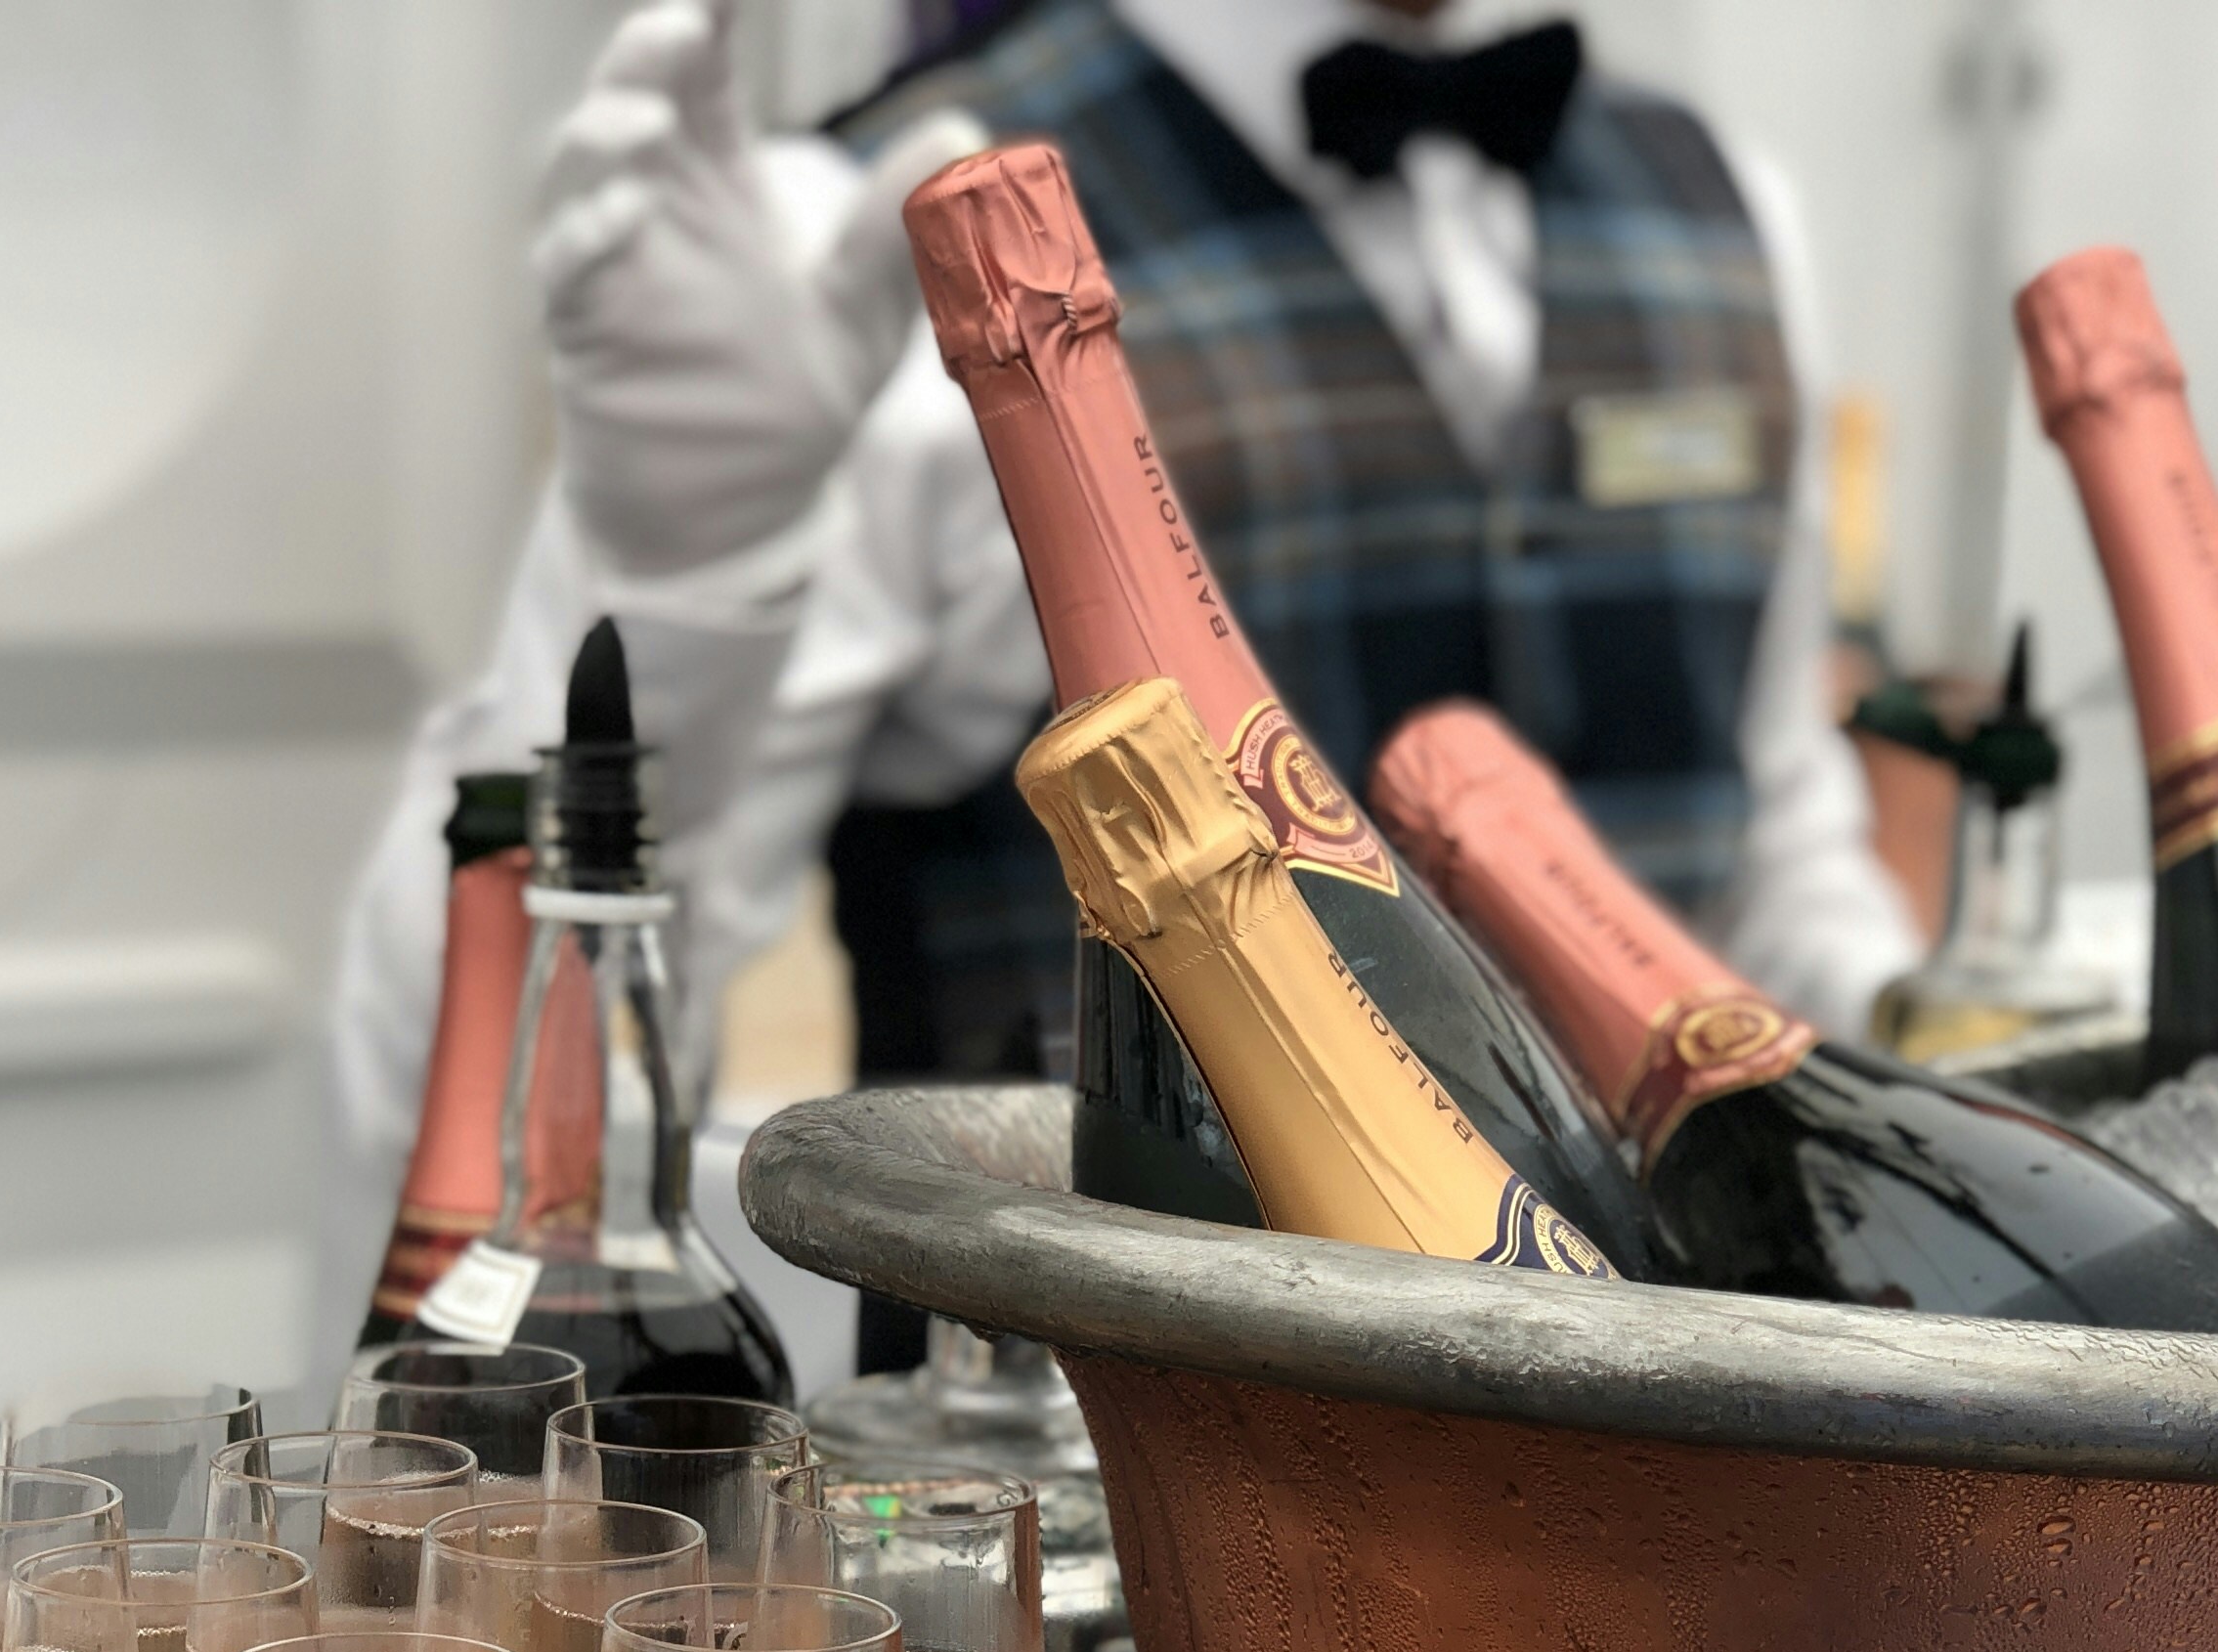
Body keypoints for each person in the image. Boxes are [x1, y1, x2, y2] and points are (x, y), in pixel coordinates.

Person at [333, 0, 1917, 1358]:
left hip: (1694, 1478)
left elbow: (1776, 859)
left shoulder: (1728, 205)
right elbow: (438, 1099)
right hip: (1087, 1519)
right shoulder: (856, 244)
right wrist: (677, 562)